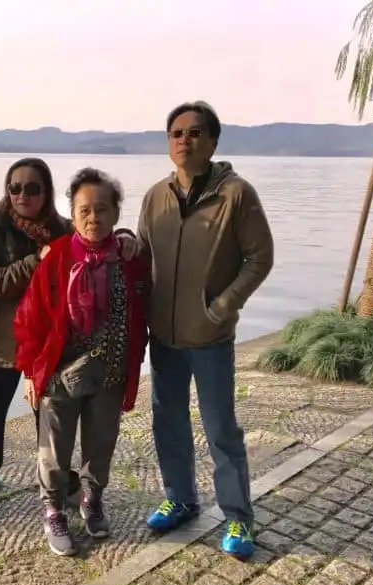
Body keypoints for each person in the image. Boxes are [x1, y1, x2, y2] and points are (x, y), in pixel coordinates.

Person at [0, 158, 138, 522]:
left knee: (55, 425)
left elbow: (93, 233)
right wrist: (34, 261)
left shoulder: (60, 227)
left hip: (50, 348)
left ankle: (64, 487)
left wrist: (126, 237)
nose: (22, 195)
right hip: (3, 345)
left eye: (33, 188)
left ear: (47, 192)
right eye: (15, 187)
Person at [138, 101, 274, 559]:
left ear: (213, 142)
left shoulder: (236, 194)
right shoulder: (155, 196)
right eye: (176, 133)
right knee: (168, 421)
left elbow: (260, 257)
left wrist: (223, 307)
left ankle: (238, 516)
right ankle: (180, 498)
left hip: (211, 336)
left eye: (195, 132)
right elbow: (142, 258)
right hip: (164, 336)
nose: (184, 140)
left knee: (220, 429)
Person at [13, 168, 150, 556]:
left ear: (116, 213)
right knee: (54, 450)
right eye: (85, 210)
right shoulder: (57, 257)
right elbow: (30, 316)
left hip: (111, 370)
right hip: (60, 371)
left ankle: (92, 498)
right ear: (72, 214)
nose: (94, 218)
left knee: (101, 443)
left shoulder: (128, 259)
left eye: (102, 209)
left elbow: (145, 300)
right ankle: (53, 509)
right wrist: (31, 371)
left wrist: (132, 243)